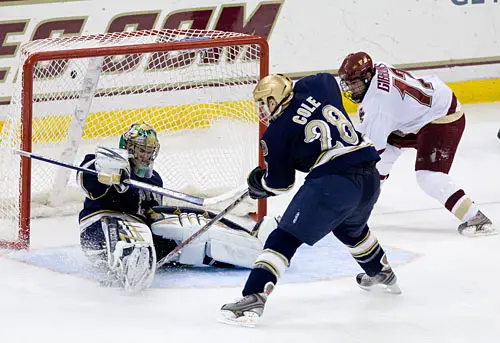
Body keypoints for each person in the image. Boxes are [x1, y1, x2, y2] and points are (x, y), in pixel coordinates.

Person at [218, 73, 401, 328]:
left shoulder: (276, 134)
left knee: (283, 238)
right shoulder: (320, 84)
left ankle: (253, 297)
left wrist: (259, 184)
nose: (262, 110)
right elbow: (324, 83)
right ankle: (380, 271)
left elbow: (281, 184)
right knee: (351, 228)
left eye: (264, 102)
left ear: (274, 100)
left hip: (334, 182)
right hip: (370, 175)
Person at [78, 122, 272, 292]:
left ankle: (253, 247)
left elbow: (152, 216)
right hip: (98, 228)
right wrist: (110, 172)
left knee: (191, 240)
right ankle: (130, 259)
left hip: (142, 232)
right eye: (141, 150)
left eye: (149, 151)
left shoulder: (154, 180)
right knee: (134, 236)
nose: (146, 156)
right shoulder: (110, 164)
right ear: (128, 148)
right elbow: (87, 178)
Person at [338, 52, 496, 237]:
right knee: (383, 159)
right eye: (348, 83)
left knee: (429, 177)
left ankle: (477, 219)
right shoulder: (377, 67)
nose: (350, 88)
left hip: (441, 116)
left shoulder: (378, 105)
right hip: (417, 115)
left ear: (367, 77)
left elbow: (369, 152)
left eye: (354, 83)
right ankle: (363, 204)